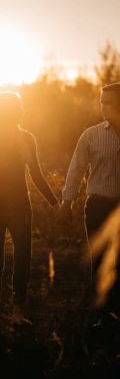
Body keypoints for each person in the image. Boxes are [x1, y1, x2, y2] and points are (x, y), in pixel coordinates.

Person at [0, 91, 59, 311]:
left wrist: (54, 203)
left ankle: (18, 306)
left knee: (22, 256)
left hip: (19, 207)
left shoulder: (26, 138)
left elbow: (35, 174)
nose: (17, 113)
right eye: (14, 110)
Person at [59, 82, 120, 310]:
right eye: (101, 102)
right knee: (100, 260)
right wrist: (67, 203)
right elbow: (76, 169)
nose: (103, 107)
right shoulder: (91, 135)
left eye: (109, 103)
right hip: (97, 207)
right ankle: (100, 313)